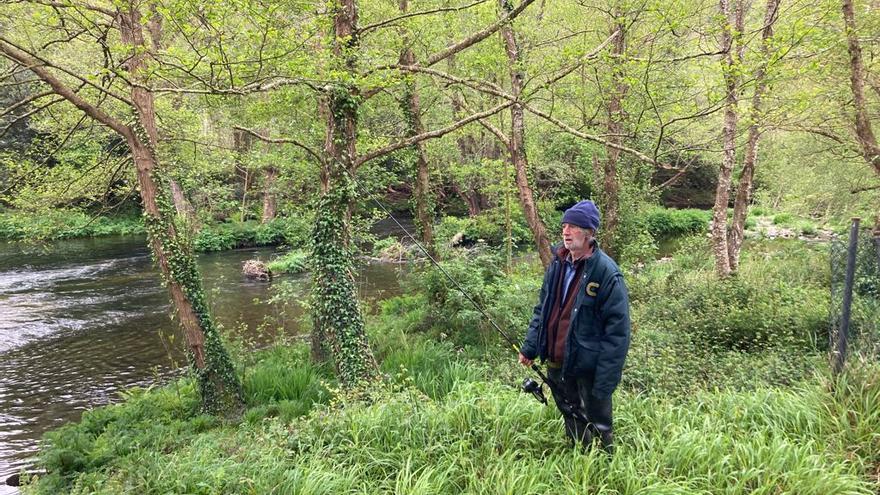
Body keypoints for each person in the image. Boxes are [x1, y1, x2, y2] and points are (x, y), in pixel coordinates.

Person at [518, 200, 631, 452]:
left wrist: (606, 379)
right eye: (564, 226)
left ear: (589, 233)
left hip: (588, 366)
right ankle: (580, 456)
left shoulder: (606, 274)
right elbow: (543, 309)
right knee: (570, 412)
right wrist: (530, 347)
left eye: (574, 227)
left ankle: (606, 466)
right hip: (557, 360)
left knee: (598, 422)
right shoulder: (557, 264)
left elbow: (618, 334)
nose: (566, 232)